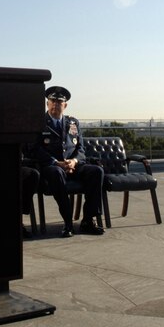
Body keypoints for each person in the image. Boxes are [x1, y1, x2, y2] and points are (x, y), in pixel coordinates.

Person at [29, 86, 105, 237]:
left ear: (65, 105)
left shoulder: (73, 123)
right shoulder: (38, 122)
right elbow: (34, 148)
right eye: (52, 101)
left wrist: (74, 161)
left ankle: (88, 220)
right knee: (56, 173)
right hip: (52, 167)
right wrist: (56, 162)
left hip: (73, 165)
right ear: (47, 103)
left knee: (97, 171)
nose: (55, 104)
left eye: (59, 102)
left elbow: (81, 148)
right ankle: (68, 222)